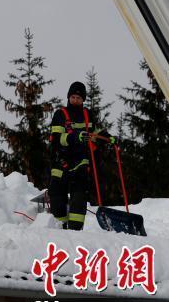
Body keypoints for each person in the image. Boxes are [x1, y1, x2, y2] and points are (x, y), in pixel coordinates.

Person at [48, 81, 117, 230]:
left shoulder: (87, 114)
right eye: (73, 97)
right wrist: (75, 137)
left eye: (79, 98)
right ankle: (59, 227)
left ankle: (74, 232)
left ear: (83, 99)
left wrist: (108, 138)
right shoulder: (61, 114)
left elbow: (96, 132)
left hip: (80, 161)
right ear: (68, 97)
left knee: (79, 199)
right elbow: (55, 139)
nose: (75, 100)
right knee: (57, 197)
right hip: (61, 160)